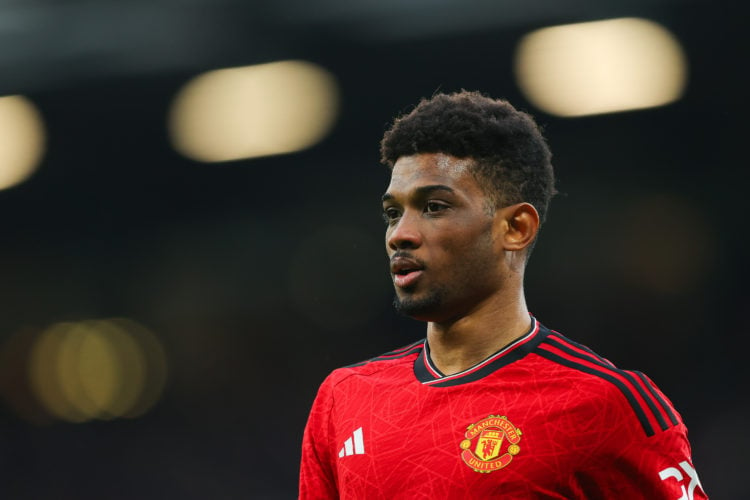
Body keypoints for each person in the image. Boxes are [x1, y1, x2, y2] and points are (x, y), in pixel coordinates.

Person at [299, 90, 707, 499]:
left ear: (515, 228)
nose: (400, 235)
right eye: (393, 213)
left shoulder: (604, 405)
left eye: (435, 207)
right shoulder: (345, 398)